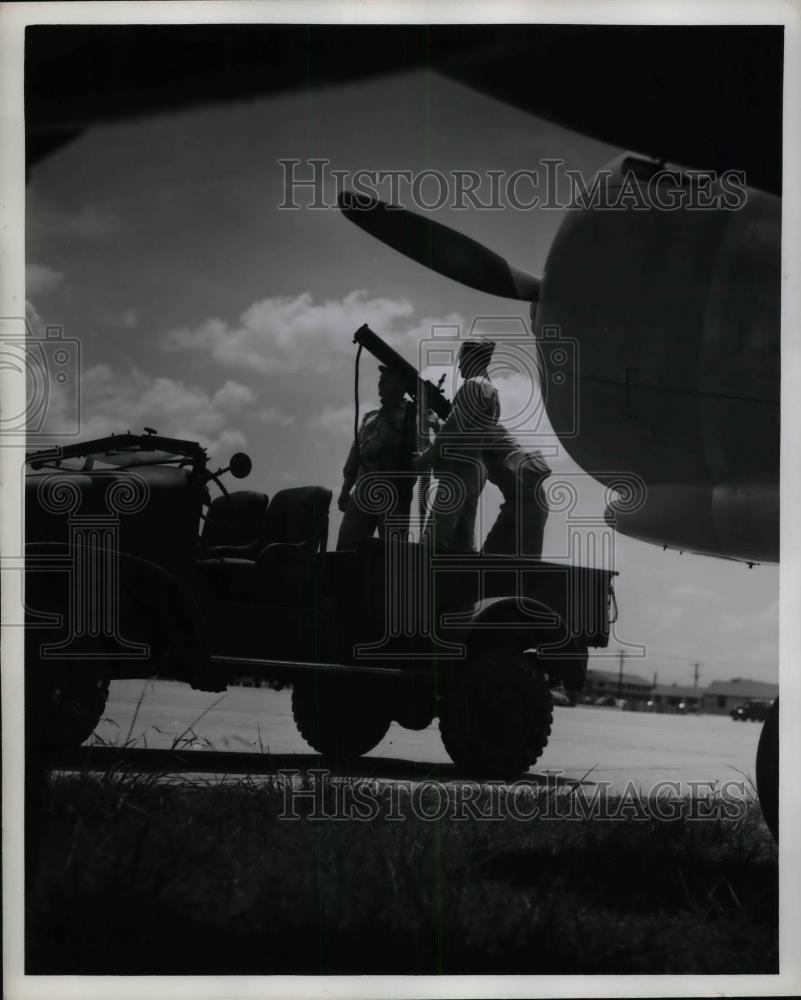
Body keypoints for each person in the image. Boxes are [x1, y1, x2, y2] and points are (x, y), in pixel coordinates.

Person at [415, 337, 500, 552]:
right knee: (462, 545)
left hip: (460, 471)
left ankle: (426, 584)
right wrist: (437, 424)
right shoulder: (491, 391)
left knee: (433, 542)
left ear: (473, 358)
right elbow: (466, 432)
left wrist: (424, 459)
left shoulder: (472, 387)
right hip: (475, 469)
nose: (460, 364)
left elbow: (450, 435)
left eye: (462, 359)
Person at [336, 365, 416, 550]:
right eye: (380, 380)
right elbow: (355, 453)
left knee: (393, 551)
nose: (380, 383)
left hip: (393, 491)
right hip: (363, 488)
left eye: (387, 380)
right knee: (347, 547)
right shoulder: (370, 417)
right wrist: (346, 488)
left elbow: (420, 457)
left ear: (401, 385)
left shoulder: (413, 416)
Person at [482, 425, 551, 557]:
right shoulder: (495, 433)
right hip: (526, 500)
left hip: (527, 500)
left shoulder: (487, 433)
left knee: (493, 555)